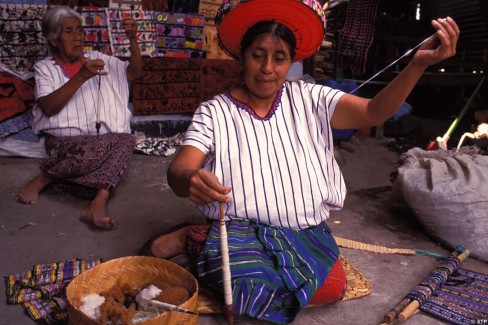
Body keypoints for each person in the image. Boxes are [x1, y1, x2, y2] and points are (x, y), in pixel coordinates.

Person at [141, 0, 459, 323]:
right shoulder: (214, 112)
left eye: (279, 58)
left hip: (304, 232)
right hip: (239, 233)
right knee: (248, 284)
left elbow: (373, 112)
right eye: (257, 55)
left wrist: (417, 65)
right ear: (241, 56)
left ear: (291, 61)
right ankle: (195, 239)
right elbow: (178, 169)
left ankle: (197, 243)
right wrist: (190, 179)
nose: (267, 68)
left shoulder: (311, 97)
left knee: (332, 286)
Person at [17, 7, 142, 230]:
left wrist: (133, 40)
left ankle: (97, 202)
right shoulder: (45, 68)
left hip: (102, 143)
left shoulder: (98, 59)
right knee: (89, 156)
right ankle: (46, 178)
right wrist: (81, 76)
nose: (77, 37)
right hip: (65, 147)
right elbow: (48, 107)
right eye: (68, 31)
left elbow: (133, 73)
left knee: (125, 141)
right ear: (53, 39)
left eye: (80, 30)